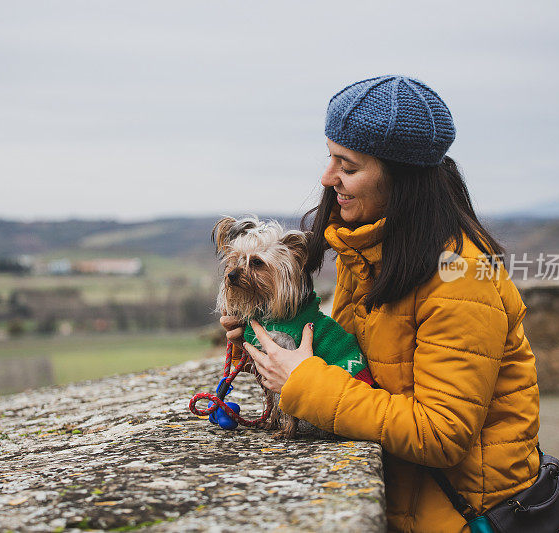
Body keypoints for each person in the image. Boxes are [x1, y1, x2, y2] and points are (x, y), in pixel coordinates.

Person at [222, 75, 540, 532]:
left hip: (461, 516)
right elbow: (354, 360)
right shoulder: (369, 251)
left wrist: (305, 381)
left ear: (401, 178)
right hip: (405, 500)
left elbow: (441, 435)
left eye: (347, 166)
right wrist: (270, 342)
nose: (328, 178)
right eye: (330, 158)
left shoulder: (461, 276)